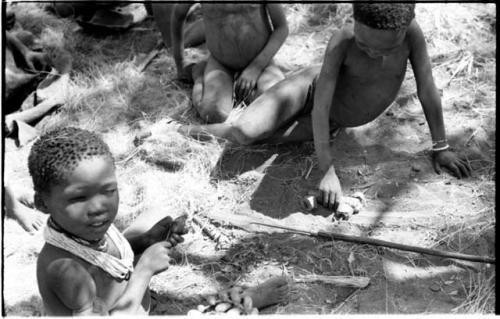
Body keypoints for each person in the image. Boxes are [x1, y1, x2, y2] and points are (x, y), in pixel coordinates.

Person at [140, 3, 472, 211]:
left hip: (331, 121)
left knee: (266, 139)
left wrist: (440, 146)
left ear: (404, 28)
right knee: (244, 132)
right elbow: (321, 102)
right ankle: (181, 131)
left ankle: (243, 106)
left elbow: (427, 88)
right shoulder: (343, 40)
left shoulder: (411, 33)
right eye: (365, 46)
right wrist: (326, 169)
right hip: (308, 93)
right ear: (355, 25)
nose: (375, 54)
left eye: (384, 49)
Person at [29, 127, 187, 315]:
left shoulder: (83, 230)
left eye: (109, 191)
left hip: (122, 299)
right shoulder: (65, 270)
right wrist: (145, 270)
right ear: (42, 203)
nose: (98, 207)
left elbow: (102, 257)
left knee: (156, 212)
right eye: (79, 198)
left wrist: (146, 241)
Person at [171, 3, 289, 123]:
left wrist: (256, 68)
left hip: (260, 63)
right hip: (221, 63)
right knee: (212, 113)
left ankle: (244, 93)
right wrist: (180, 62)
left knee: (277, 104)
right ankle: (200, 76)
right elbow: (178, 15)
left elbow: (282, 28)